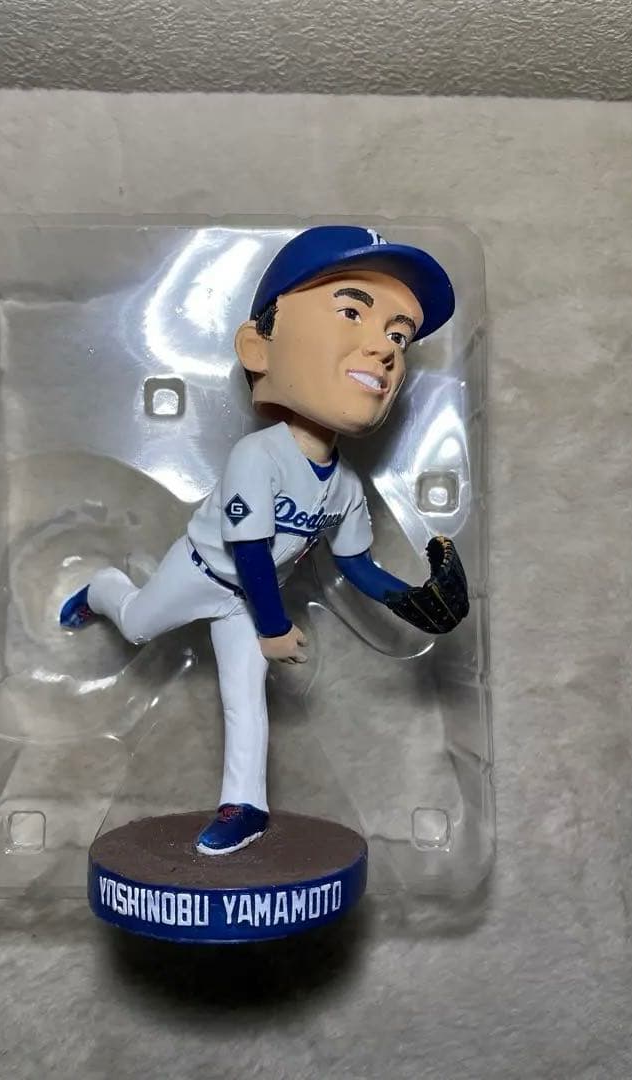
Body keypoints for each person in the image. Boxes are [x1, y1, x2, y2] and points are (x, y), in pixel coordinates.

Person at [60, 225, 468, 856]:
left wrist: (411, 599)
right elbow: (249, 550)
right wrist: (274, 627)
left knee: (246, 700)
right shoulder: (260, 455)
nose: (384, 350)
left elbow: (356, 563)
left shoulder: (346, 486)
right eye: (351, 313)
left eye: (398, 336)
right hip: (203, 572)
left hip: (252, 601)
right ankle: (103, 588)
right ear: (258, 347)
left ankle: (245, 806)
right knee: (138, 624)